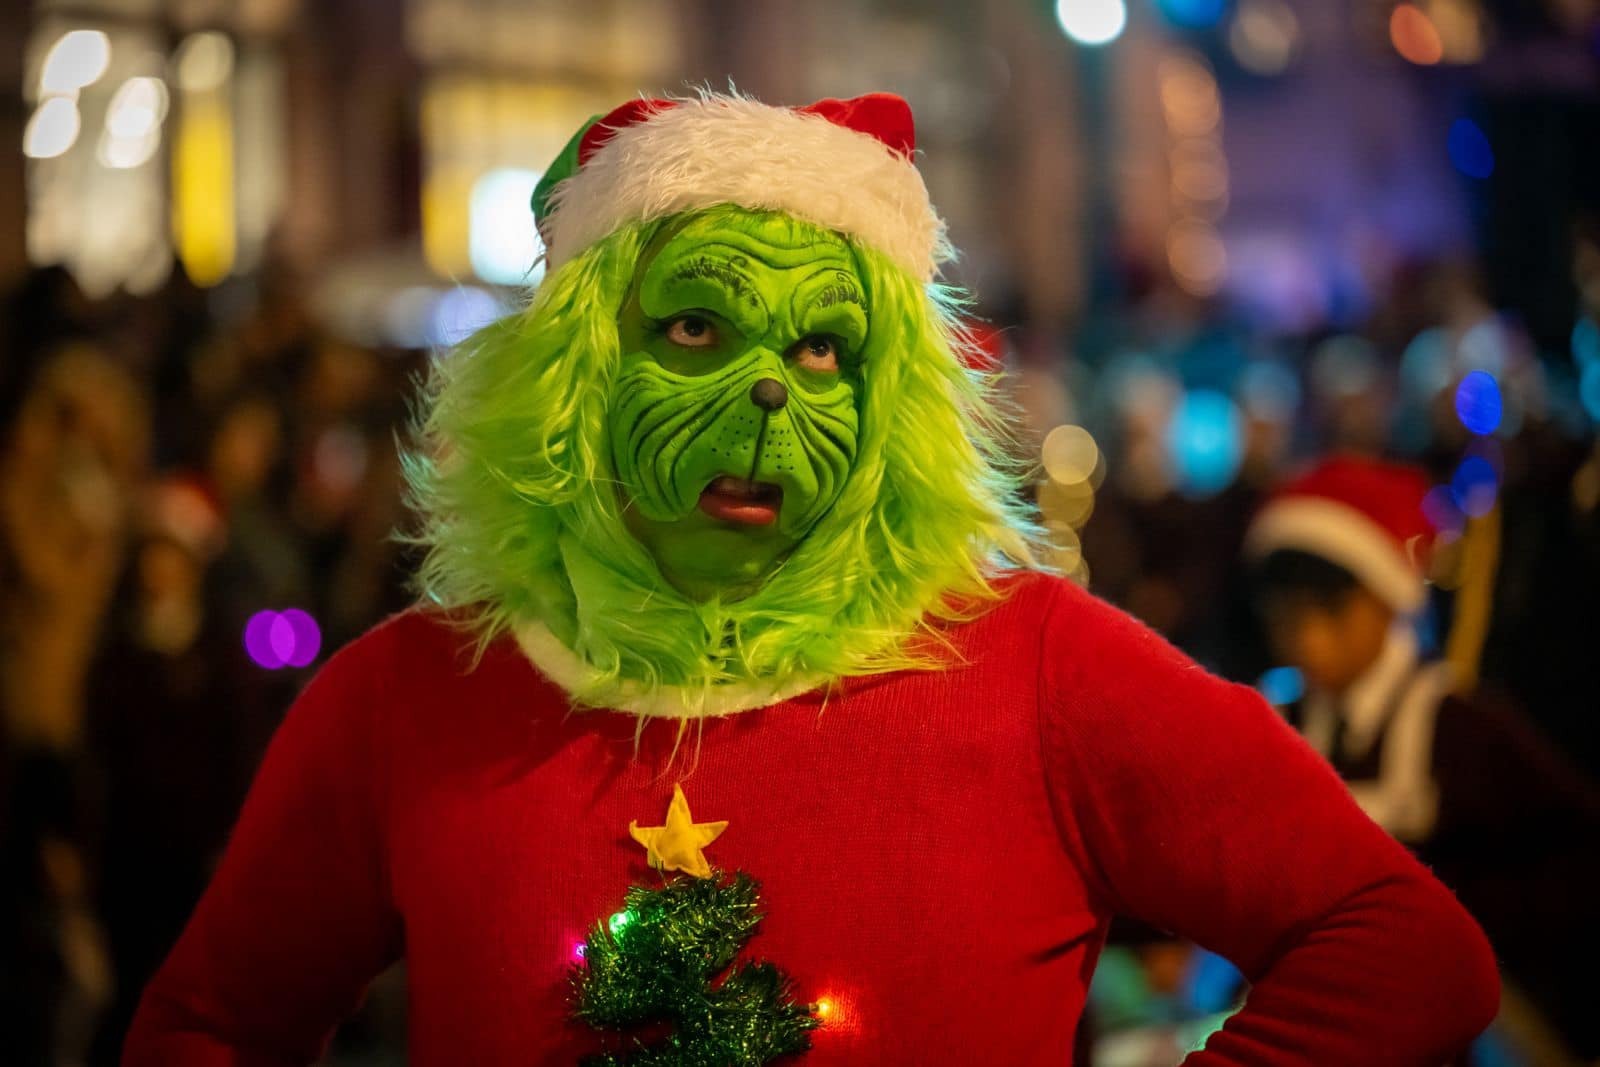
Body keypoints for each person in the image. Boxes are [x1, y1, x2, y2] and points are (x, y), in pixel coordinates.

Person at [125, 93, 1496, 1065]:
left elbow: (1401, 945)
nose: (773, 390)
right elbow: (208, 1024)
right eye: (696, 327)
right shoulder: (412, 696)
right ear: (575, 371)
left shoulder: (1036, 666)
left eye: (827, 347)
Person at [1246, 454, 1600, 1059]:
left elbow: (1575, 853)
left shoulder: (1460, 724)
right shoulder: (1277, 722)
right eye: (1288, 618)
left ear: (1387, 597)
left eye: (1332, 612)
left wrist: (1469, 925)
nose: (1309, 640)